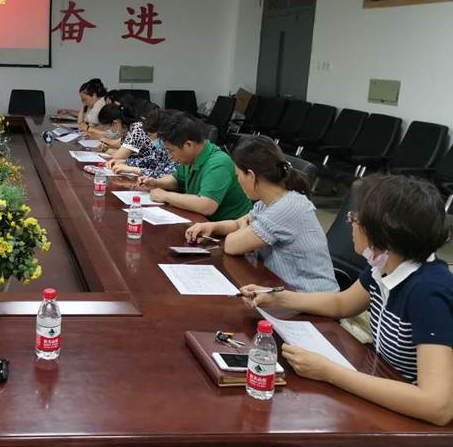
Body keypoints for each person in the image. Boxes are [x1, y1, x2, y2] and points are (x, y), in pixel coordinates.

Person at [240, 175, 453, 426]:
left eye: (355, 218)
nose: (350, 223)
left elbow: (437, 406)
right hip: (386, 384)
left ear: (383, 233)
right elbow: (342, 304)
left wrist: (328, 372)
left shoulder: (428, 291)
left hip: (418, 424)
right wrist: (277, 298)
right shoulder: (384, 266)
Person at [185, 136, 338, 292]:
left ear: (251, 176)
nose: (238, 180)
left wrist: (243, 229)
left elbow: (232, 246)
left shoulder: (287, 207)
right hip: (279, 288)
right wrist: (212, 227)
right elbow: (238, 223)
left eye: (238, 176)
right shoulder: (268, 201)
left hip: (308, 297)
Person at [141, 112, 251, 221]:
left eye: (171, 150)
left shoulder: (218, 163)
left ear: (188, 145)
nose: (170, 156)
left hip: (228, 227)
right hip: (200, 221)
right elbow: (177, 179)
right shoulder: (191, 158)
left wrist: (165, 196)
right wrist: (156, 182)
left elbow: (206, 205)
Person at [108, 108, 178, 179]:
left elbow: (167, 176)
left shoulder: (178, 151)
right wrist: (125, 162)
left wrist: (133, 169)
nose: (151, 140)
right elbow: (151, 161)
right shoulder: (164, 150)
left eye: (152, 136)